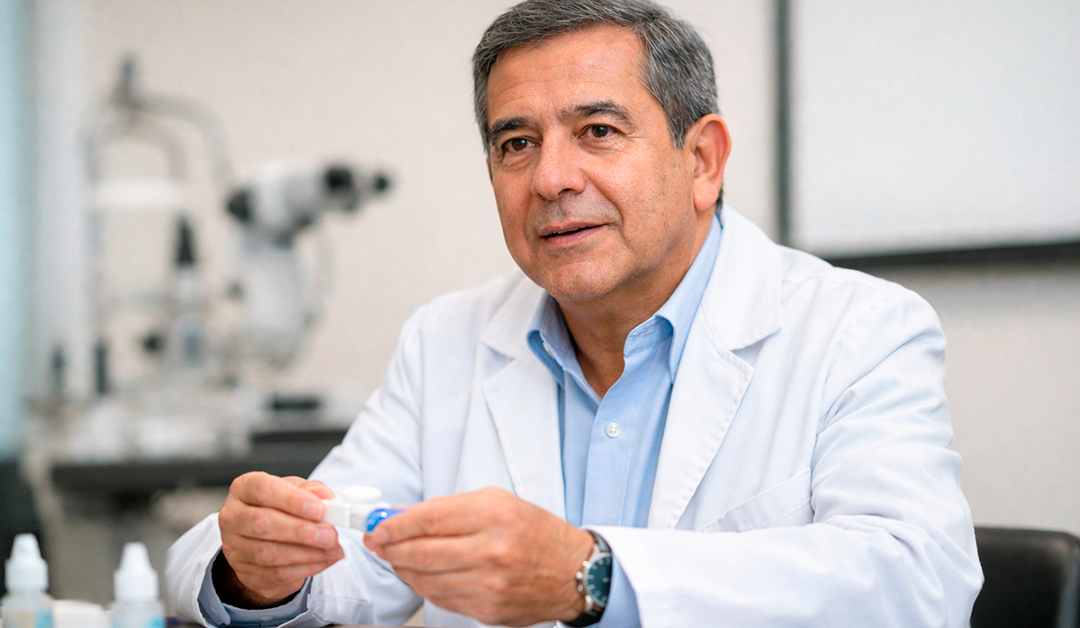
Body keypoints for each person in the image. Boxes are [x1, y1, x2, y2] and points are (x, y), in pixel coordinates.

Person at [167, 1, 983, 626]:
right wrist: (257, 570)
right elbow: (328, 557)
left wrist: (592, 576)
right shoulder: (445, 342)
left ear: (701, 161)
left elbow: (918, 582)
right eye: (516, 143)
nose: (552, 178)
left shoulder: (857, 330)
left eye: (597, 130)